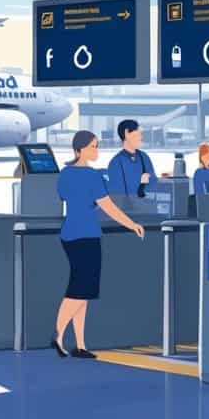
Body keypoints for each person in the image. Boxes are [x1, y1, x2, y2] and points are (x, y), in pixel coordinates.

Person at [53, 131, 145, 360]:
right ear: (80, 149)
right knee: (79, 290)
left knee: (82, 292)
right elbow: (108, 207)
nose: (97, 150)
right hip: (86, 235)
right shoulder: (92, 176)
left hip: (69, 234)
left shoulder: (65, 174)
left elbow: (66, 197)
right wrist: (131, 224)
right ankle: (57, 336)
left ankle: (80, 344)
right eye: (93, 146)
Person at [106, 119, 156, 198]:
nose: (141, 137)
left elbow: (154, 181)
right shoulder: (116, 162)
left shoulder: (144, 157)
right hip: (126, 207)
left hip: (145, 205)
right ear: (126, 133)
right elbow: (117, 191)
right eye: (138, 134)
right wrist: (140, 181)